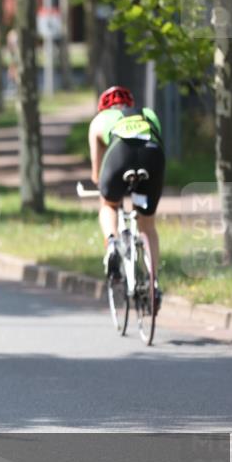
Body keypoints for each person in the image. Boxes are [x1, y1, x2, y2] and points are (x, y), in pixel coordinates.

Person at [88, 85, 164, 310]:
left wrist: (109, 189)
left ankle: (112, 242)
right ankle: (153, 284)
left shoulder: (98, 121)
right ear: (129, 105)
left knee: (108, 204)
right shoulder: (147, 113)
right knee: (147, 224)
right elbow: (159, 141)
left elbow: (96, 174)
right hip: (152, 157)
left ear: (104, 107)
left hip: (118, 156)